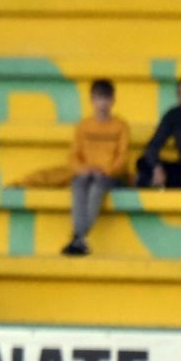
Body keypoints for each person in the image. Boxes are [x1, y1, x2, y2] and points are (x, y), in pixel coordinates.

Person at [61, 79, 129, 257]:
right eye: (99, 98)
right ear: (92, 100)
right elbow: (73, 156)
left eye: (106, 99)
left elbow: (122, 157)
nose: (103, 104)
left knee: (97, 188)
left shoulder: (121, 126)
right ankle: (79, 238)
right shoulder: (84, 126)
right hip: (87, 172)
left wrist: (107, 171)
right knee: (78, 186)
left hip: (110, 175)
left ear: (113, 100)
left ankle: (78, 237)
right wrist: (84, 169)